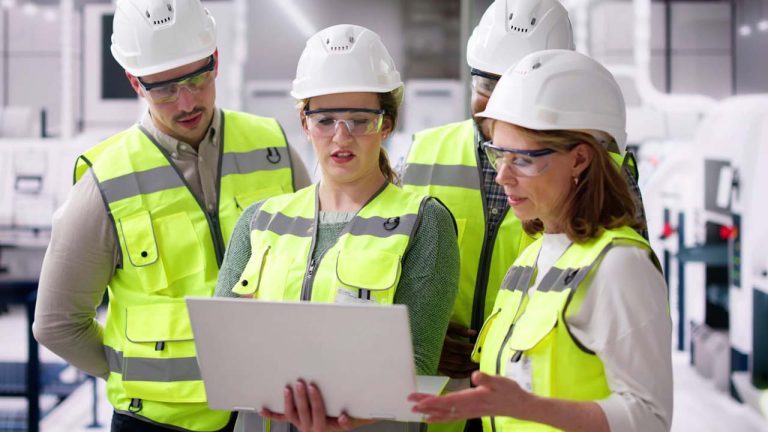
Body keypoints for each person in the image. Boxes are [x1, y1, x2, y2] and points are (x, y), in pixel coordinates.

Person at [32, 0, 309, 431]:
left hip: (268, 415)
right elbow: (57, 323)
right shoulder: (106, 180)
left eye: (198, 78)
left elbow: (317, 266)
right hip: (157, 423)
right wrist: (133, 373)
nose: (186, 102)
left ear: (215, 60)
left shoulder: (271, 148)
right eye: (164, 88)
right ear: (135, 82)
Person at [409, 49, 673, 432]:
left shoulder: (618, 266)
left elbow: (650, 419)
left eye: (522, 159)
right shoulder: (530, 261)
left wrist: (530, 407)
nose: (502, 176)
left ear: (580, 160)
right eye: (498, 155)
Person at [215, 24, 459, 432]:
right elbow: (223, 352)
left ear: (386, 124)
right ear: (304, 122)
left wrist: (335, 418)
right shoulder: (259, 221)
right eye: (325, 120)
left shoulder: (423, 222)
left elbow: (416, 367)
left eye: (360, 120)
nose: (341, 137)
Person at [401, 1, 574, 430]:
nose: (498, 103)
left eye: (517, 86)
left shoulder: (591, 170)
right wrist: (420, 336)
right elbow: (382, 267)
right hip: (440, 401)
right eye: (486, 84)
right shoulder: (422, 153)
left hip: (534, 400)